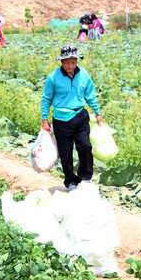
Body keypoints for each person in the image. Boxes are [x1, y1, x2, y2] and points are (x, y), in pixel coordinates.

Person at [40, 45, 104, 192]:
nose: (71, 65)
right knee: (65, 152)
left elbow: (90, 95)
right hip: (61, 119)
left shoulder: (84, 74)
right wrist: (45, 119)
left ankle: (86, 178)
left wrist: (98, 112)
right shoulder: (53, 77)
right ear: (61, 62)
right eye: (67, 62)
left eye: (73, 62)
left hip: (80, 115)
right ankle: (70, 181)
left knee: (85, 146)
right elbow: (46, 99)